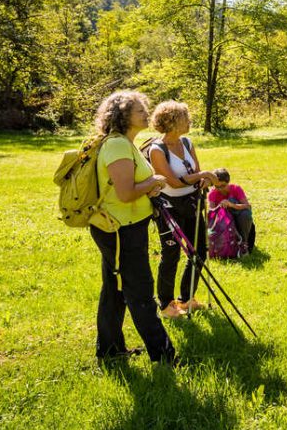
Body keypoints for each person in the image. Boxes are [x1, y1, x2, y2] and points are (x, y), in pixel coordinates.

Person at [90, 91, 176, 364]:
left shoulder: (124, 144)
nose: (146, 114)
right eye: (140, 110)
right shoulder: (117, 146)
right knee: (139, 292)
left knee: (115, 291)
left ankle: (110, 350)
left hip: (122, 226)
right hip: (121, 230)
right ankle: (164, 356)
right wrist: (154, 183)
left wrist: (150, 186)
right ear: (123, 114)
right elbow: (126, 193)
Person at [146, 101, 218, 318]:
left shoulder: (187, 142)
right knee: (171, 255)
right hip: (169, 207)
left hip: (192, 203)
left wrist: (202, 180)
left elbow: (194, 173)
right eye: (186, 117)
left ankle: (186, 299)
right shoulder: (156, 149)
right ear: (173, 121)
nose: (189, 121)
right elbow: (174, 182)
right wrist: (202, 175)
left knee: (200, 252)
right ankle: (166, 305)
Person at [208, 168, 254, 251]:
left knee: (245, 214)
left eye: (223, 186)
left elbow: (248, 206)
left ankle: (244, 243)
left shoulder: (236, 189)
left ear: (228, 182)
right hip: (223, 222)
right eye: (217, 186)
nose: (220, 189)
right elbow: (211, 213)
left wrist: (231, 205)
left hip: (238, 218)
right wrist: (219, 207)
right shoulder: (213, 193)